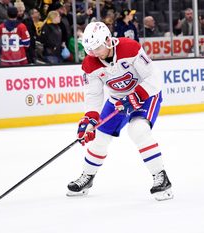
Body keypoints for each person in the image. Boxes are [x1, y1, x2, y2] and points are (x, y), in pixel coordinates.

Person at [67, 22, 173, 201]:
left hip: (146, 95)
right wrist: (90, 119)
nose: (95, 53)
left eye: (98, 47)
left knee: (138, 130)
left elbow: (154, 78)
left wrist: (135, 97)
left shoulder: (130, 48)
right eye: (90, 50)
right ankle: (87, 176)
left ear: (108, 40)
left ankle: (161, 178)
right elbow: (93, 94)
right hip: (117, 100)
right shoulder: (90, 63)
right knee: (99, 136)